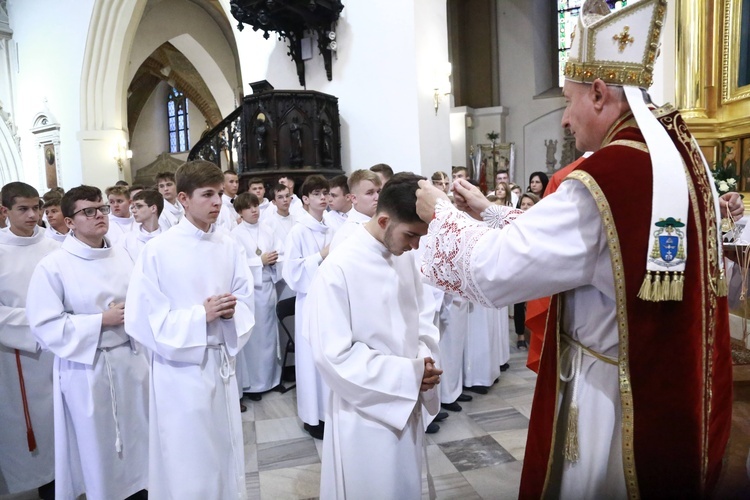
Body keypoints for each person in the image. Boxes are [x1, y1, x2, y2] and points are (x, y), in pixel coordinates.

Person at [415, 1, 742, 497]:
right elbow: (600, 252)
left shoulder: (605, 179)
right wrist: (490, 210)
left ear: (598, 93)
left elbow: (494, 269)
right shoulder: (679, 156)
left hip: (610, 394)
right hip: (670, 384)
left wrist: (440, 212)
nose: (565, 120)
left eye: (567, 102)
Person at [306, 173, 442, 499]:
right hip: (364, 411)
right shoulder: (339, 268)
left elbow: (424, 319)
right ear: (383, 220)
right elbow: (332, 354)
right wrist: (406, 375)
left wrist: (425, 362)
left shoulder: (403, 257)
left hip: (407, 401)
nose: (415, 245)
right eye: (411, 234)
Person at [124, 160, 254, 499]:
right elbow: (141, 319)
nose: (217, 202)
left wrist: (229, 316)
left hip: (221, 363)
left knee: (224, 451)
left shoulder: (229, 246)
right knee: (190, 458)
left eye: (220, 195)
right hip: (180, 370)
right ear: (182, 198)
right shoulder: (158, 250)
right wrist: (201, 316)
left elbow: (245, 298)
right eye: (207, 195)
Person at [27, 185, 149, 500]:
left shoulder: (123, 253)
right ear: (69, 222)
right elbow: (44, 325)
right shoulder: (53, 266)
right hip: (88, 372)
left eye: (102, 208)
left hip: (132, 363)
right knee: (100, 451)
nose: (99, 216)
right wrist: (99, 321)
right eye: (88, 211)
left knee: (140, 444)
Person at [0, 182, 58, 499]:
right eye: (23, 209)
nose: (33, 215)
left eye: (36, 207)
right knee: (29, 430)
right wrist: (37, 320)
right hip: (17, 354)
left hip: (59, 351)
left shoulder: (55, 248)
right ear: (4, 211)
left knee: (62, 427)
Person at [281, 174, 332, 439]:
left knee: (329, 357)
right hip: (309, 301)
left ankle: (330, 412)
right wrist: (320, 256)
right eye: (316, 194)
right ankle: (313, 417)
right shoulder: (298, 230)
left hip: (330, 303)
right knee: (311, 360)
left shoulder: (332, 225)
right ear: (305, 199)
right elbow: (291, 272)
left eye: (325, 192)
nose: (323, 198)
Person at [232, 192, 282, 400]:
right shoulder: (234, 234)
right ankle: (254, 385)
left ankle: (272, 379)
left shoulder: (268, 229)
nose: (254, 210)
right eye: (249, 208)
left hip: (268, 288)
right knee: (255, 340)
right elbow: (237, 266)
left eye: (256, 206)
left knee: (271, 337)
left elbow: (280, 251)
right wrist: (259, 261)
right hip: (250, 294)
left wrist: (275, 259)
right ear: (240, 212)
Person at [330, 169, 381, 250]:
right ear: (353, 198)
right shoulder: (346, 235)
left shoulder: (384, 223)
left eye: (378, 192)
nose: (377, 197)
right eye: (370, 193)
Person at [263, 183, 297, 300]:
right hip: (280, 273)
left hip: (298, 269)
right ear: (273, 201)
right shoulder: (267, 224)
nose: (285, 200)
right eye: (280, 197)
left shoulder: (298, 220)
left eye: (287, 196)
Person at [121, 189, 163, 263]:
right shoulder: (126, 240)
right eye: (132, 207)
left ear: (153, 208)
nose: (133, 211)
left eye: (139, 206)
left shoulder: (168, 238)